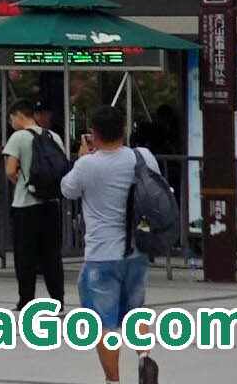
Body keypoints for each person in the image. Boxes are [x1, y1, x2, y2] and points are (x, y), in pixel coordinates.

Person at [60, 105, 154, 384]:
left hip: (101, 254)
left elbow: (67, 190)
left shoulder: (88, 165)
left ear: (95, 134)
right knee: (135, 312)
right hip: (137, 250)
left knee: (103, 324)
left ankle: (113, 380)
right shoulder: (143, 157)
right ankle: (144, 360)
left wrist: (81, 157)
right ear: (124, 130)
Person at [3, 98, 67, 309]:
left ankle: (26, 300)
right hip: (51, 202)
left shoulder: (18, 137)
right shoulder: (53, 136)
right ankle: (57, 299)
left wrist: (21, 182)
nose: (11, 123)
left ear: (20, 115)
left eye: (12, 118)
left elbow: (10, 170)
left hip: (25, 204)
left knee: (25, 254)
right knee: (51, 254)